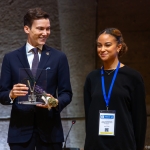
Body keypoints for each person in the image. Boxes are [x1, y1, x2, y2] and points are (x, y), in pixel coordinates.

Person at [0, 7, 72, 150]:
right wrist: (11, 94)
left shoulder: (58, 58)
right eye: (40, 29)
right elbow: (2, 94)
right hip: (20, 133)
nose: (45, 33)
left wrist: (55, 102)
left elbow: (67, 93)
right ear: (27, 29)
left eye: (48, 29)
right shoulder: (11, 58)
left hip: (50, 133)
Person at [84, 28, 147, 150]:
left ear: (118, 47)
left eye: (107, 45)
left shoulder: (132, 77)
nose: (102, 49)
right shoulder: (92, 78)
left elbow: (139, 120)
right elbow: (89, 117)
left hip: (123, 144)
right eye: (99, 45)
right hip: (96, 144)